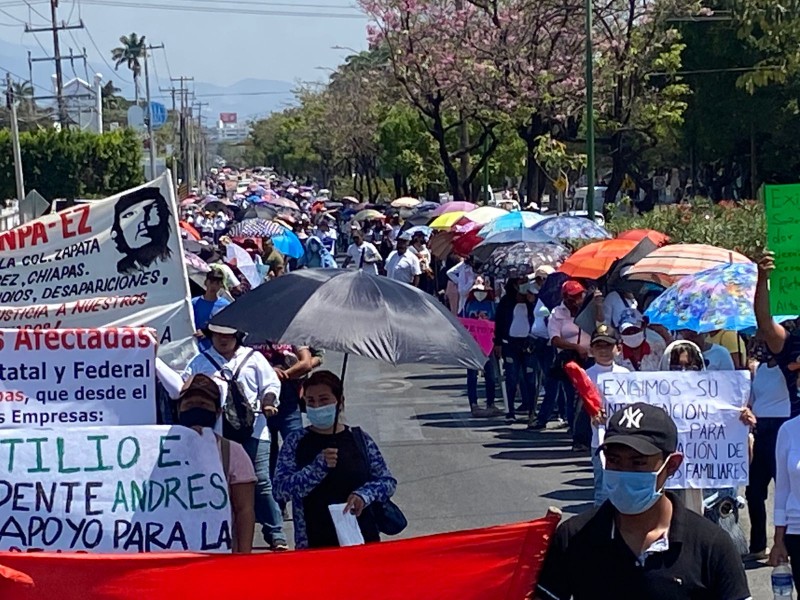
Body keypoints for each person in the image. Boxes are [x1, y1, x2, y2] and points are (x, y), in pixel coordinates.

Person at [535, 403, 752, 600]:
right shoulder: (573, 537)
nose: (623, 472)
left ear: (672, 465)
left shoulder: (711, 545)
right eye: (613, 461)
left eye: (638, 463)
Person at [156, 324, 289, 551]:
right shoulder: (199, 361)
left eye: (228, 335)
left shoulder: (254, 358)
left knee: (260, 482)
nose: (223, 340)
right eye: (218, 335)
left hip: (254, 430)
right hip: (214, 434)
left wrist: (268, 401)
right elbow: (181, 388)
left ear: (236, 336)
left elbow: (271, 384)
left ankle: (275, 533)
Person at [274, 370, 398, 549]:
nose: (317, 406)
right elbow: (280, 490)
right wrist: (315, 470)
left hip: (361, 539)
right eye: (311, 401)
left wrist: (364, 495)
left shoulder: (359, 438)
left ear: (340, 402)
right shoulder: (295, 441)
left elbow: (387, 482)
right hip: (314, 543)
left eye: (324, 400)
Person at [175, 374, 256, 553]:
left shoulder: (232, 451)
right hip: (172, 552)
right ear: (179, 410)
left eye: (203, 405)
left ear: (217, 411)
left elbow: (244, 510)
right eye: (189, 405)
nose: (196, 410)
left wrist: (244, 555)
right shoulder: (158, 451)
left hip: (218, 553)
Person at [746, 337, 791, 560]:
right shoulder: (760, 370)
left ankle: (787, 543)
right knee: (753, 491)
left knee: (785, 488)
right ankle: (757, 546)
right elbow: (752, 400)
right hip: (761, 429)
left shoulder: (788, 367)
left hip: (781, 426)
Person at [533, 280, 591, 449]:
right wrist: (575, 347)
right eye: (573, 297)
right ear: (565, 298)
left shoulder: (589, 309)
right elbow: (555, 339)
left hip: (590, 357)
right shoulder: (557, 313)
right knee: (572, 396)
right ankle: (577, 436)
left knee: (589, 396)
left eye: (580, 296)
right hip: (570, 358)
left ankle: (589, 433)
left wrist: (599, 306)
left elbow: (600, 325)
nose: (578, 300)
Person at [584, 325, 630, 506]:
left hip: (624, 440)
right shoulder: (587, 375)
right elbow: (585, 405)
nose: (603, 351)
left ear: (618, 349)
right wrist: (593, 416)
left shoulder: (626, 375)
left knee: (623, 489)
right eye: (599, 346)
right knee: (603, 490)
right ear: (592, 350)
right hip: (600, 441)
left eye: (608, 346)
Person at [493, 277, 536, 422]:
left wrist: (531, 302)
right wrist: (497, 342)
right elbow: (498, 322)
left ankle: (531, 409)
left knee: (530, 379)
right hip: (509, 344)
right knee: (511, 377)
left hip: (528, 344)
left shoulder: (532, 301)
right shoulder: (506, 301)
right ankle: (510, 410)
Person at [462, 278, 502, 418]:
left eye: (482, 291)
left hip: (488, 344)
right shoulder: (468, 305)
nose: (480, 293)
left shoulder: (492, 305)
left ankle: (490, 403)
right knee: (472, 375)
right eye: (477, 291)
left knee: (490, 375)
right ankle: (473, 403)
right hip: (472, 344)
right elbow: (462, 322)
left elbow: (497, 322)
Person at [191, 268, 230, 350]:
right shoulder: (194, 303)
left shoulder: (225, 305)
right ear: (206, 282)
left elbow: (226, 328)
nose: (214, 286)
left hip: (215, 349)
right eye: (211, 282)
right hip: (194, 347)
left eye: (217, 283)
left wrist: (206, 333)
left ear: (221, 286)